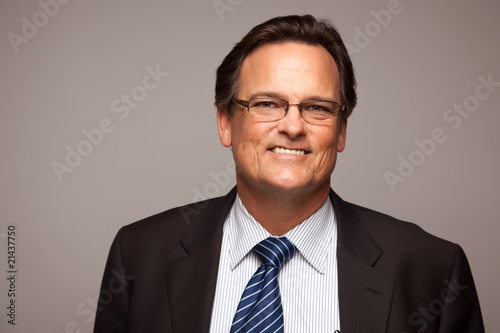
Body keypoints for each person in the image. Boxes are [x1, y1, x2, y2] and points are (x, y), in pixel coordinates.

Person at [93, 15, 484, 333]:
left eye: (317, 107)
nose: (293, 127)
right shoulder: (140, 255)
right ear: (226, 122)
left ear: (341, 130)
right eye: (267, 103)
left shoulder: (432, 269)